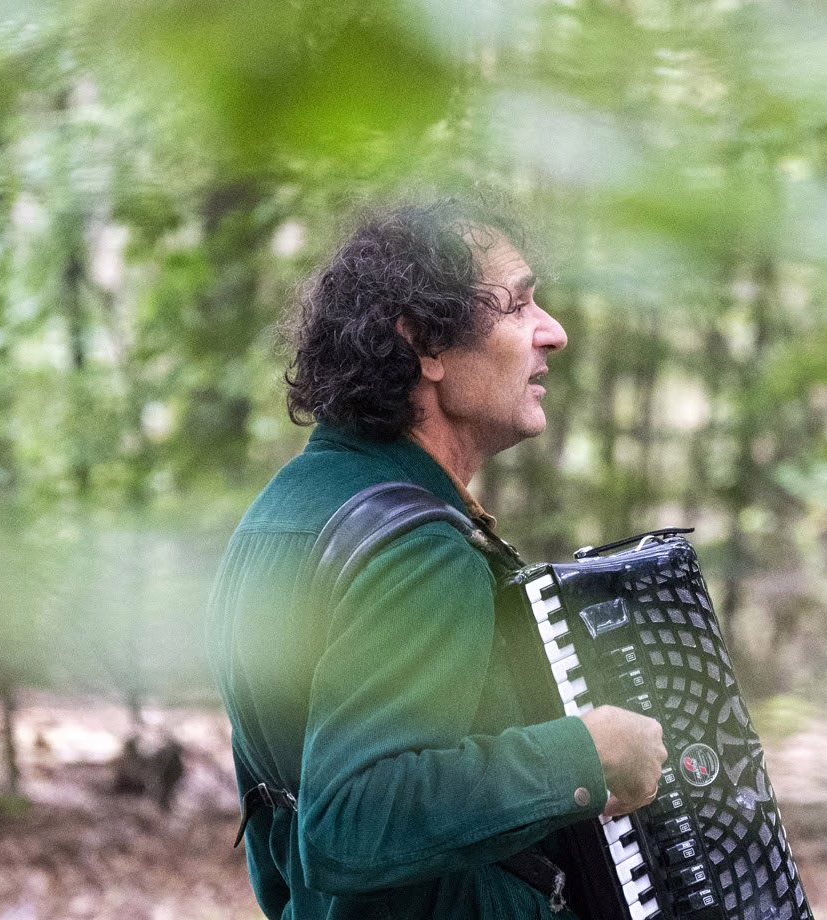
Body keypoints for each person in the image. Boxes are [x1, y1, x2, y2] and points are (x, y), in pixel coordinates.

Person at [207, 200, 668, 920]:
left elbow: (294, 819)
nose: (555, 332)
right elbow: (352, 821)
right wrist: (586, 755)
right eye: (517, 306)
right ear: (424, 342)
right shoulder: (419, 553)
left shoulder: (287, 510)